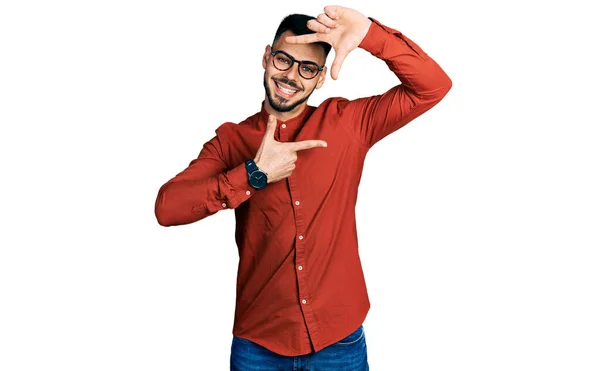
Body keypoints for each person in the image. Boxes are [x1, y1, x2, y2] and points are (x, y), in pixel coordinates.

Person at [155, 5, 451, 370]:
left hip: (338, 339)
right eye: (283, 60)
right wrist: (253, 174)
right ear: (266, 58)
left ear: (320, 78)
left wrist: (371, 35)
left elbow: (433, 86)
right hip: (258, 345)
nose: (291, 76)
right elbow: (167, 209)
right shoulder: (231, 140)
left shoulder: (348, 124)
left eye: (307, 68)